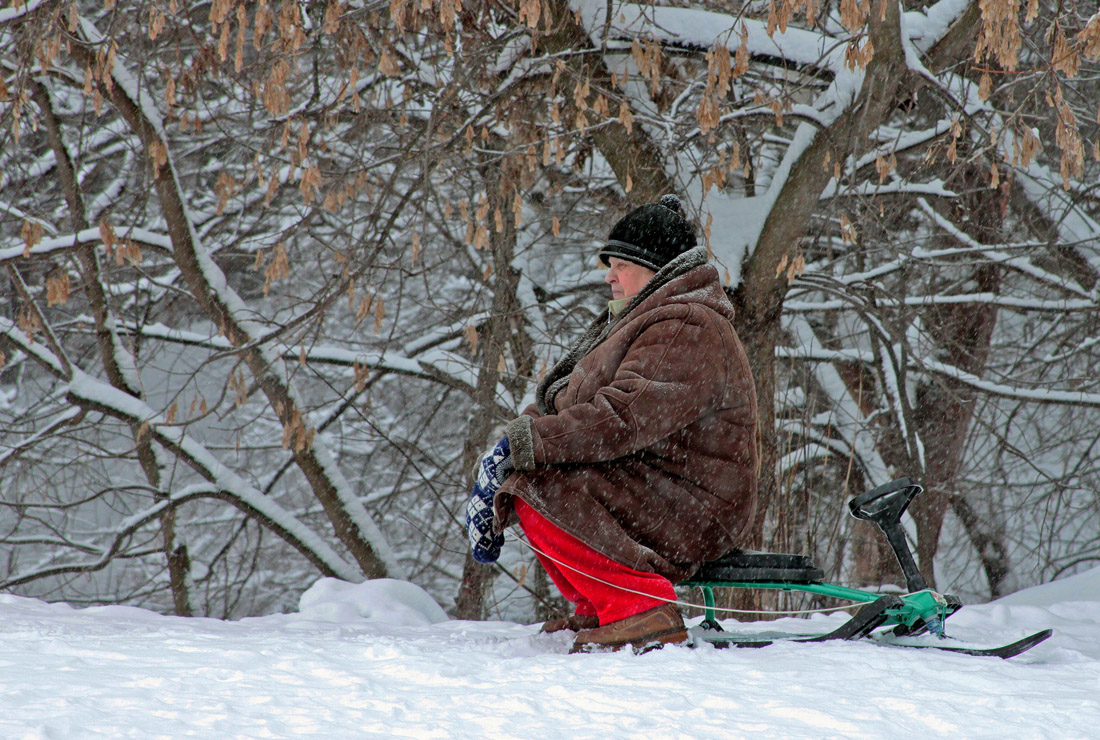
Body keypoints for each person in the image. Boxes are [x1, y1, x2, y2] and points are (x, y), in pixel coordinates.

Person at [466, 194, 759, 653]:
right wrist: (505, 451)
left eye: (620, 263)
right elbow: (562, 405)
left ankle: (639, 608)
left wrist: (521, 448)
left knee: (537, 485)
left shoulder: (685, 323)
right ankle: (601, 607)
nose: (609, 275)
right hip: (658, 488)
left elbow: (620, 418)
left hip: (692, 505)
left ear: (654, 268)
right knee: (526, 475)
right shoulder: (642, 320)